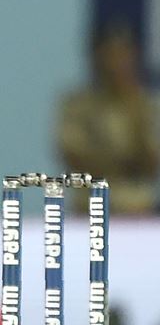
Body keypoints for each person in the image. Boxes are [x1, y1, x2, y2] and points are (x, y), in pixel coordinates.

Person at [58, 21, 160, 215]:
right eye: (110, 53)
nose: (116, 62)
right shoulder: (76, 106)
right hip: (88, 208)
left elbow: (151, 163)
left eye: (123, 53)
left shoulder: (145, 105)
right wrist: (122, 160)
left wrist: (134, 113)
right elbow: (75, 157)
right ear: (95, 57)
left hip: (137, 209)